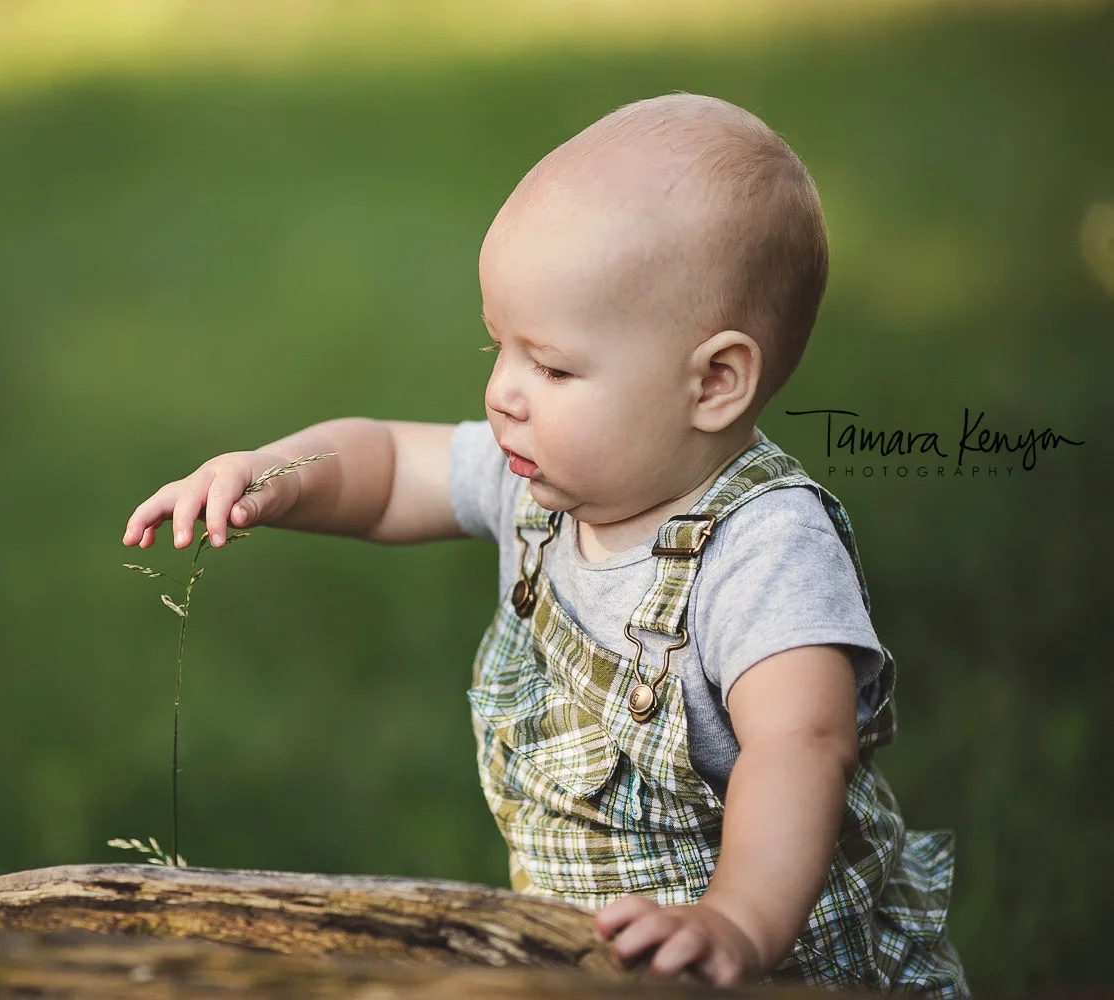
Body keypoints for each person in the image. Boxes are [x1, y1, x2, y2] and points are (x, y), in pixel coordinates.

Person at [123, 93, 969, 994]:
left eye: (554, 366)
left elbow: (800, 744)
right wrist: (275, 471)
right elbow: (385, 465)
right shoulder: (541, 480)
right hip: (594, 958)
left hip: (771, 970)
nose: (502, 394)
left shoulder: (765, 549)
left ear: (715, 381)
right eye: (498, 348)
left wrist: (736, 921)